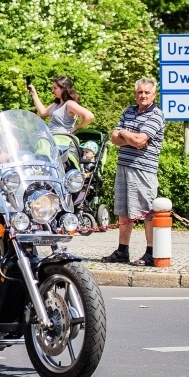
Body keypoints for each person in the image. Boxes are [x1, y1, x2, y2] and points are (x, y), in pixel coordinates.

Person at [101, 78, 165, 266]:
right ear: (135, 93)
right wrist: (129, 136)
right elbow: (114, 138)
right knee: (123, 210)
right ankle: (122, 250)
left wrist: (124, 133)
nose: (143, 96)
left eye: (147, 92)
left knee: (146, 212)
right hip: (124, 165)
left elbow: (139, 141)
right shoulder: (129, 111)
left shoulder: (157, 114)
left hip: (143, 169)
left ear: (154, 95)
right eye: (140, 92)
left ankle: (151, 252)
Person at [28, 75, 95, 134]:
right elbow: (43, 113)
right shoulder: (56, 104)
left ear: (63, 88)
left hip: (62, 142)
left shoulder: (69, 104)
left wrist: (77, 127)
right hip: (50, 138)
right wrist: (34, 94)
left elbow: (89, 116)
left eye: (55, 88)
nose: (52, 91)